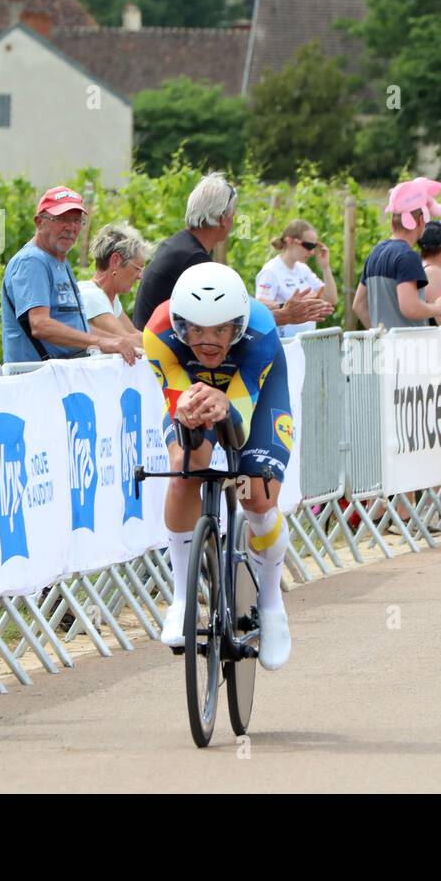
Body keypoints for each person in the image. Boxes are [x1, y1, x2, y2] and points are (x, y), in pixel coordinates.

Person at [142, 263, 293, 670]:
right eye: (195, 330)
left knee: (257, 496)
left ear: (238, 327)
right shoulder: (157, 334)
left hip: (252, 396)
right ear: (179, 325)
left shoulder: (260, 333)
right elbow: (180, 406)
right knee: (186, 466)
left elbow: (239, 429)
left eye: (220, 331)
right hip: (190, 385)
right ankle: (181, 597)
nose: (208, 342)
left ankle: (271, 603)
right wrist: (189, 413)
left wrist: (226, 406)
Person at [133, 172, 329, 333]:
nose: (234, 222)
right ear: (222, 220)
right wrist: (285, 316)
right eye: (233, 216)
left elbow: (237, 305)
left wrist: (282, 307)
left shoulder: (181, 246)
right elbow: (228, 318)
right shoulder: (193, 259)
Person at [0, 185, 139, 364]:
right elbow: (40, 325)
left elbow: (76, 327)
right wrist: (102, 341)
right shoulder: (32, 262)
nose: (70, 227)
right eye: (61, 219)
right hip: (35, 380)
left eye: (76, 220)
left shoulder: (59, 262)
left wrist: (118, 341)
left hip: (61, 375)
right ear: (39, 222)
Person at [353, 178, 441, 329]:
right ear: (420, 220)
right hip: (409, 348)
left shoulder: (375, 253)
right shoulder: (408, 256)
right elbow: (410, 307)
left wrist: (381, 337)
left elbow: (358, 305)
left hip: (386, 350)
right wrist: (439, 308)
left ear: (393, 221)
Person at [254, 219, 337, 338]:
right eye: (308, 246)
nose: (312, 252)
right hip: (285, 346)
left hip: (306, 345)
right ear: (289, 241)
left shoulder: (304, 269)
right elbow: (260, 305)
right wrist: (290, 306)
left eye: (314, 246)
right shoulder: (270, 271)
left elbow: (331, 299)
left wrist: (325, 267)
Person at [78, 221, 151, 339]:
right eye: (137, 268)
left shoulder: (109, 297)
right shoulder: (92, 296)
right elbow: (127, 340)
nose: (140, 276)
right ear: (115, 261)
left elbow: (133, 332)